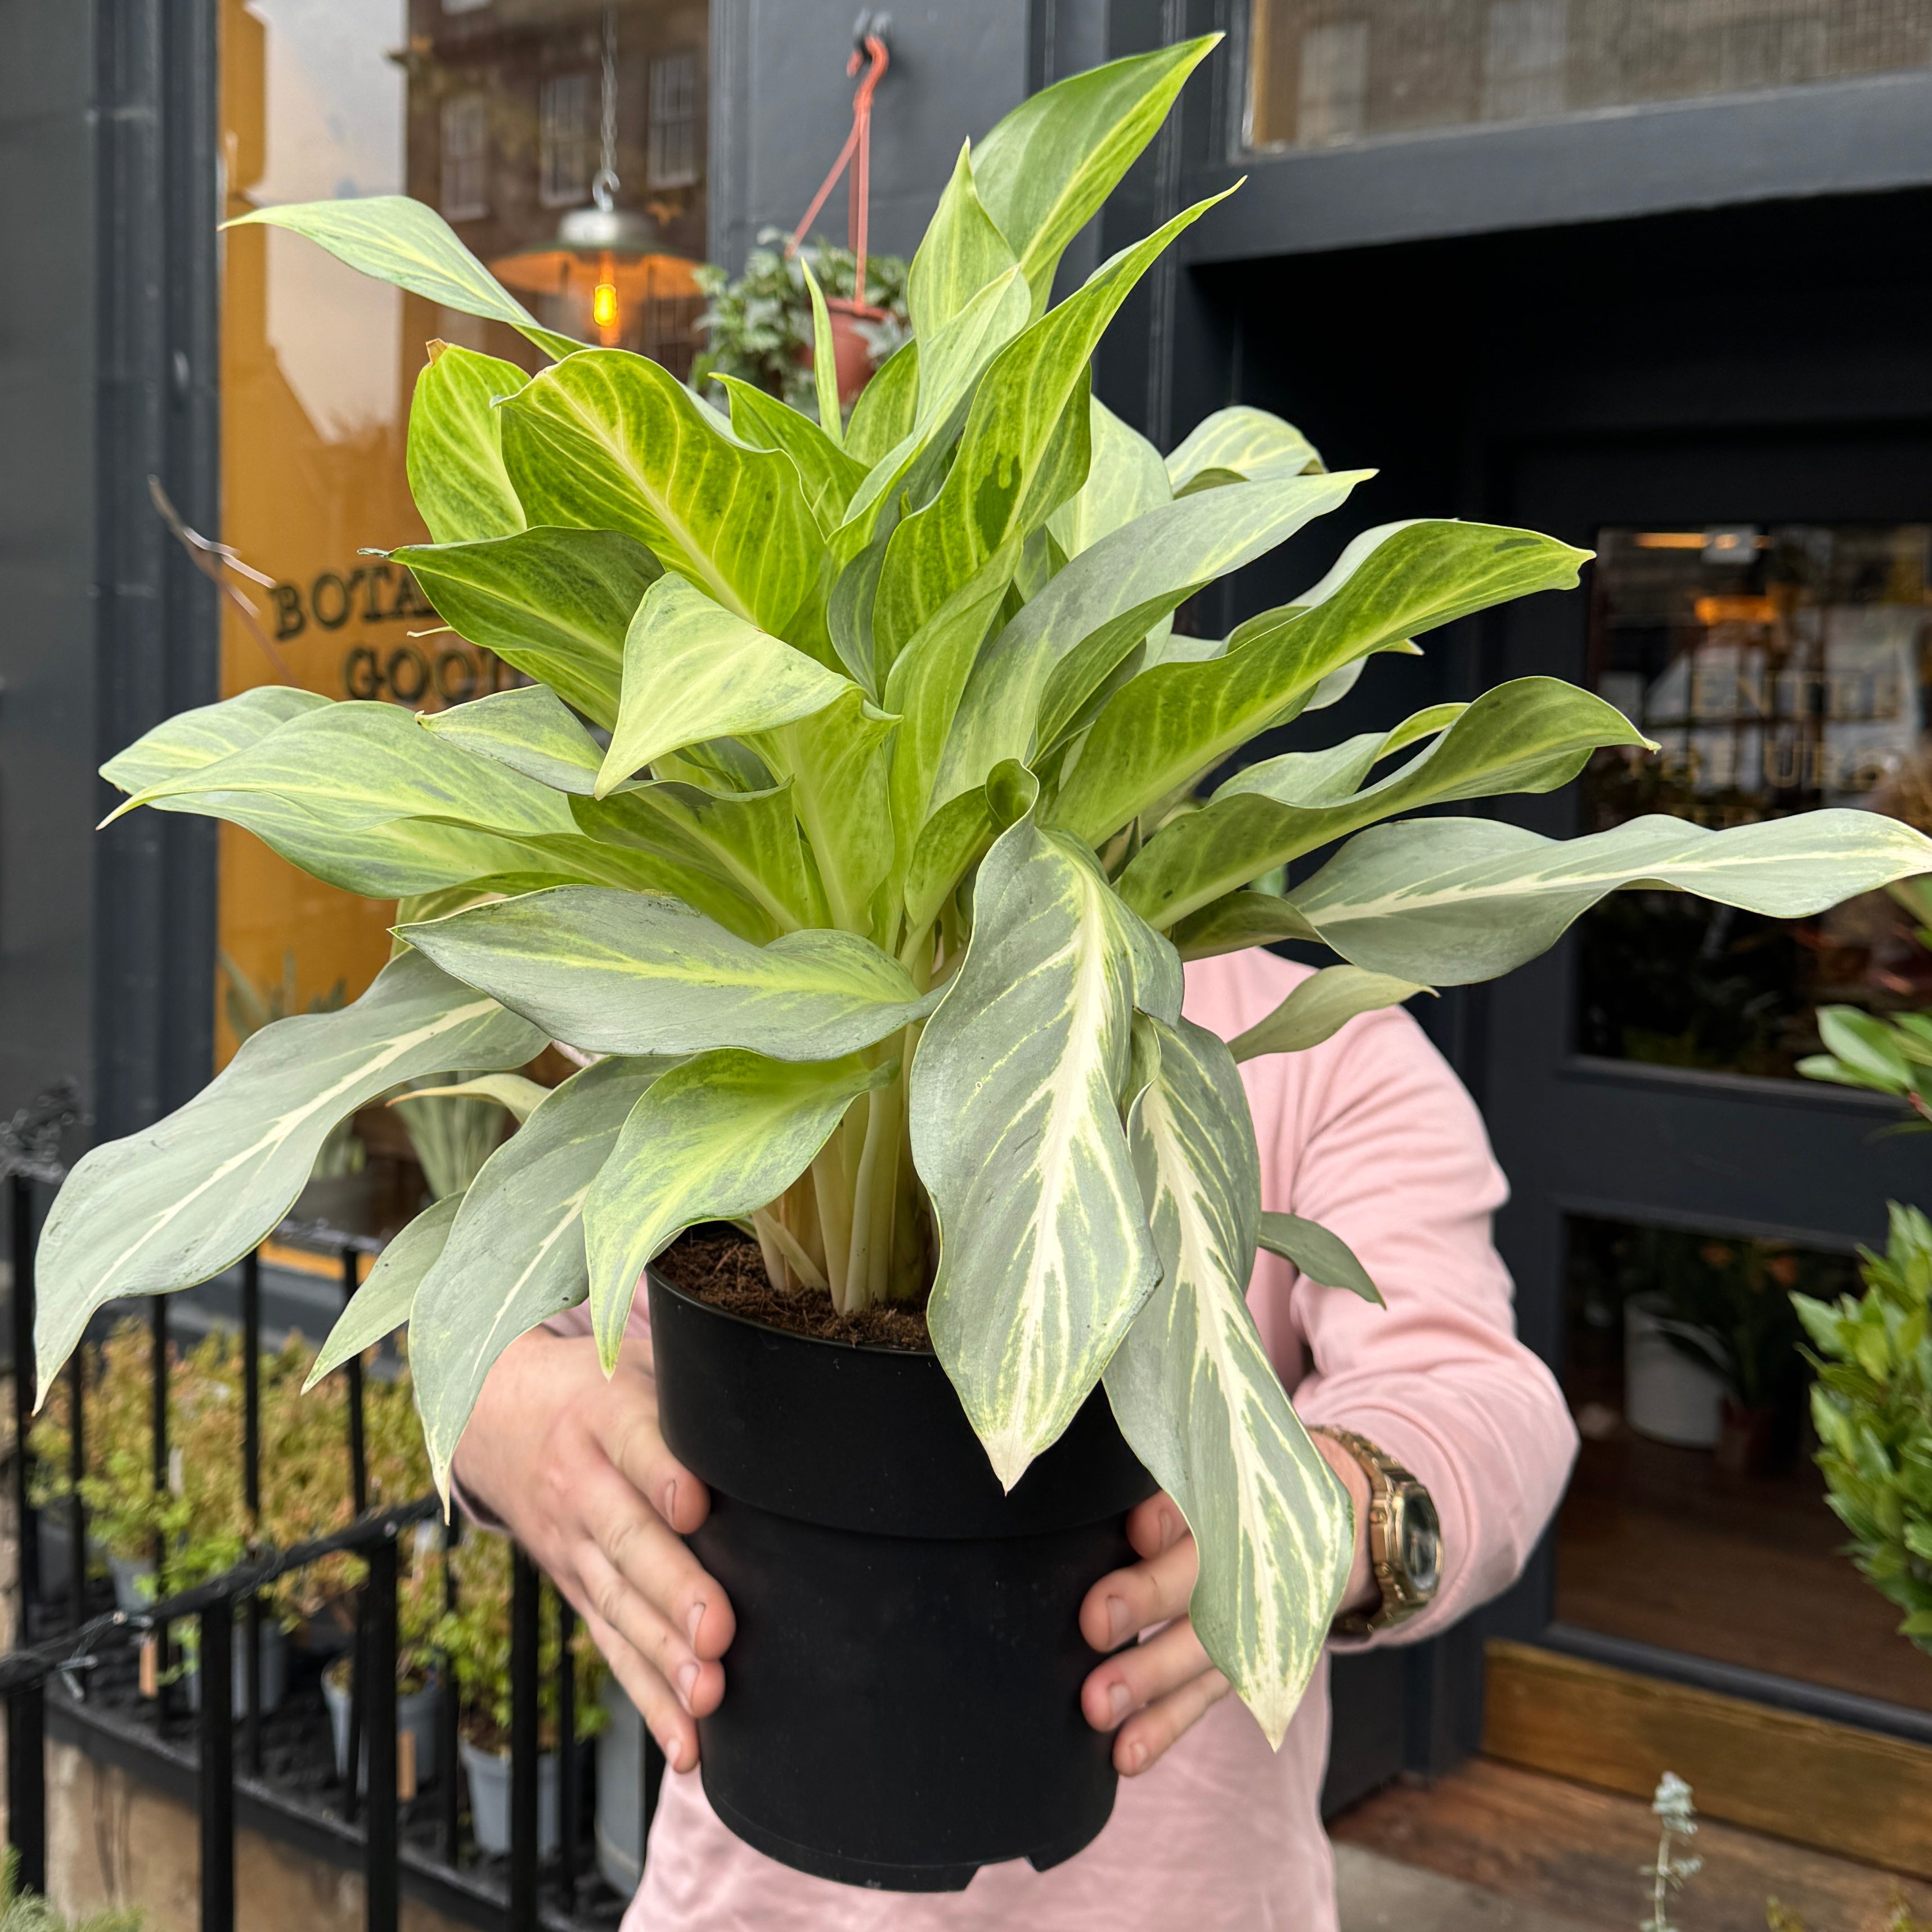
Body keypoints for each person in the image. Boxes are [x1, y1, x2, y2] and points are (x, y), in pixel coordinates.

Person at [455, 945, 1578, 1930]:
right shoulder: (737, 1018)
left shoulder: (1321, 1050)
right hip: (747, 1893)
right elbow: (489, 1314)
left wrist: (1343, 1511)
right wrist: (512, 1417)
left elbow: (1479, 1393)